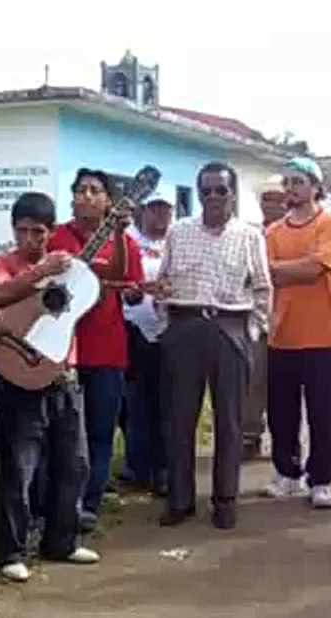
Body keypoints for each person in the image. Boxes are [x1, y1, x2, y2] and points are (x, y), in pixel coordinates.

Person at [0, 191, 100, 583]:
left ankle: (62, 539)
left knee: (74, 463)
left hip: (64, 374)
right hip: (20, 378)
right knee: (19, 469)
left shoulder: (67, 266)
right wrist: (37, 273)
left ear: (50, 231)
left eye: (38, 231)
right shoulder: (5, 263)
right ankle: (10, 551)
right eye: (22, 230)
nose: (30, 238)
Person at [154, 162, 271, 529]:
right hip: (185, 326)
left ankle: (225, 500)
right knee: (180, 418)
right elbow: (163, 281)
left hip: (229, 325)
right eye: (206, 190)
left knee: (230, 420)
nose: (213, 197)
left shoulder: (250, 236)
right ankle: (180, 500)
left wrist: (252, 330)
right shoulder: (179, 232)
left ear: (232, 194)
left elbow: (263, 288)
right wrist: (166, 328)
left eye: (221, 190)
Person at [46, 168, 143, 532]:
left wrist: (117, 234)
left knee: (100, 432)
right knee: (60, 434)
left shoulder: (125, 241)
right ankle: (53, 505)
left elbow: (127, 278)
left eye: (95, 190)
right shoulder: (55, 237)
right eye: (80, 190)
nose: (87, 196)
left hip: (106, 349)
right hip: (59, 348)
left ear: (109, 199)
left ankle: (88, 505)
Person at [262, 157, 331, 510]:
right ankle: (286, 472)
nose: (291, 188)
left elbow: (317, 268)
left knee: (324, 411)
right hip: (282, 332)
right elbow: (265, 275)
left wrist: (281, 270)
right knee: (281, 410)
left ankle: (322, 478)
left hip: (323, 334)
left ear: (315, 186)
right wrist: (286, 270)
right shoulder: (273, 232)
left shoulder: (330, 224)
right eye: (288, 182)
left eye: (299, 182)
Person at [122, 184, 176, 496]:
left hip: (168, 332)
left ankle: (165, 469)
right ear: (144, 210)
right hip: (134, 331)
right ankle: (136, 469)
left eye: (165, 209)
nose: (160, 215)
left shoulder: (178, 241)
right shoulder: (130, 242)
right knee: (136, 404)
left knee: (167, 405)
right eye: (154, 208)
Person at [243, 175, 286, 460]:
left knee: (283, 383)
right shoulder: (251, 236)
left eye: (277, 199)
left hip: (289, 319)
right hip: (257, 318)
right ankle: (250, 435)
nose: (271, 205)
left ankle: (284, 438)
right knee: (253, 379)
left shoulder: (292, 233)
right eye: (266, 199)